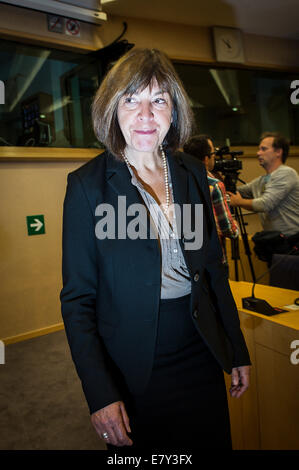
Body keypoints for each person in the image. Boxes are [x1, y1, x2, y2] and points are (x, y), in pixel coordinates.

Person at [60, 48, 251, 451]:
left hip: (201, 346)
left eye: (158, 100)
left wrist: (236, 348)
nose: (145, 114)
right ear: (112, 108)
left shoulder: (191, 173)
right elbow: (78, 301)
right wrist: (99, 392)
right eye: (131, 99)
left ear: (174, 111)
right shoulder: (87, 187)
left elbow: (213, 270)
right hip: (133, 363)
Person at [183, 135, 239, 269]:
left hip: (186, 260)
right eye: (213, 154)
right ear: (206, 158)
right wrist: (235, 227)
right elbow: (227, 228)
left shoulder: (177, 182)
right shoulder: (214, 185)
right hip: (212, 259)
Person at [228, 132, 299, 237]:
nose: (258, 153)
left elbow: (265, 204)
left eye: (263, 149)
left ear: (278, 152)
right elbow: (237, 191)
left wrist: (239, 202)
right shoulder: (261, 181)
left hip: (291, 241)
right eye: (259, 149)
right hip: (274, 241)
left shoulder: (286, 173)